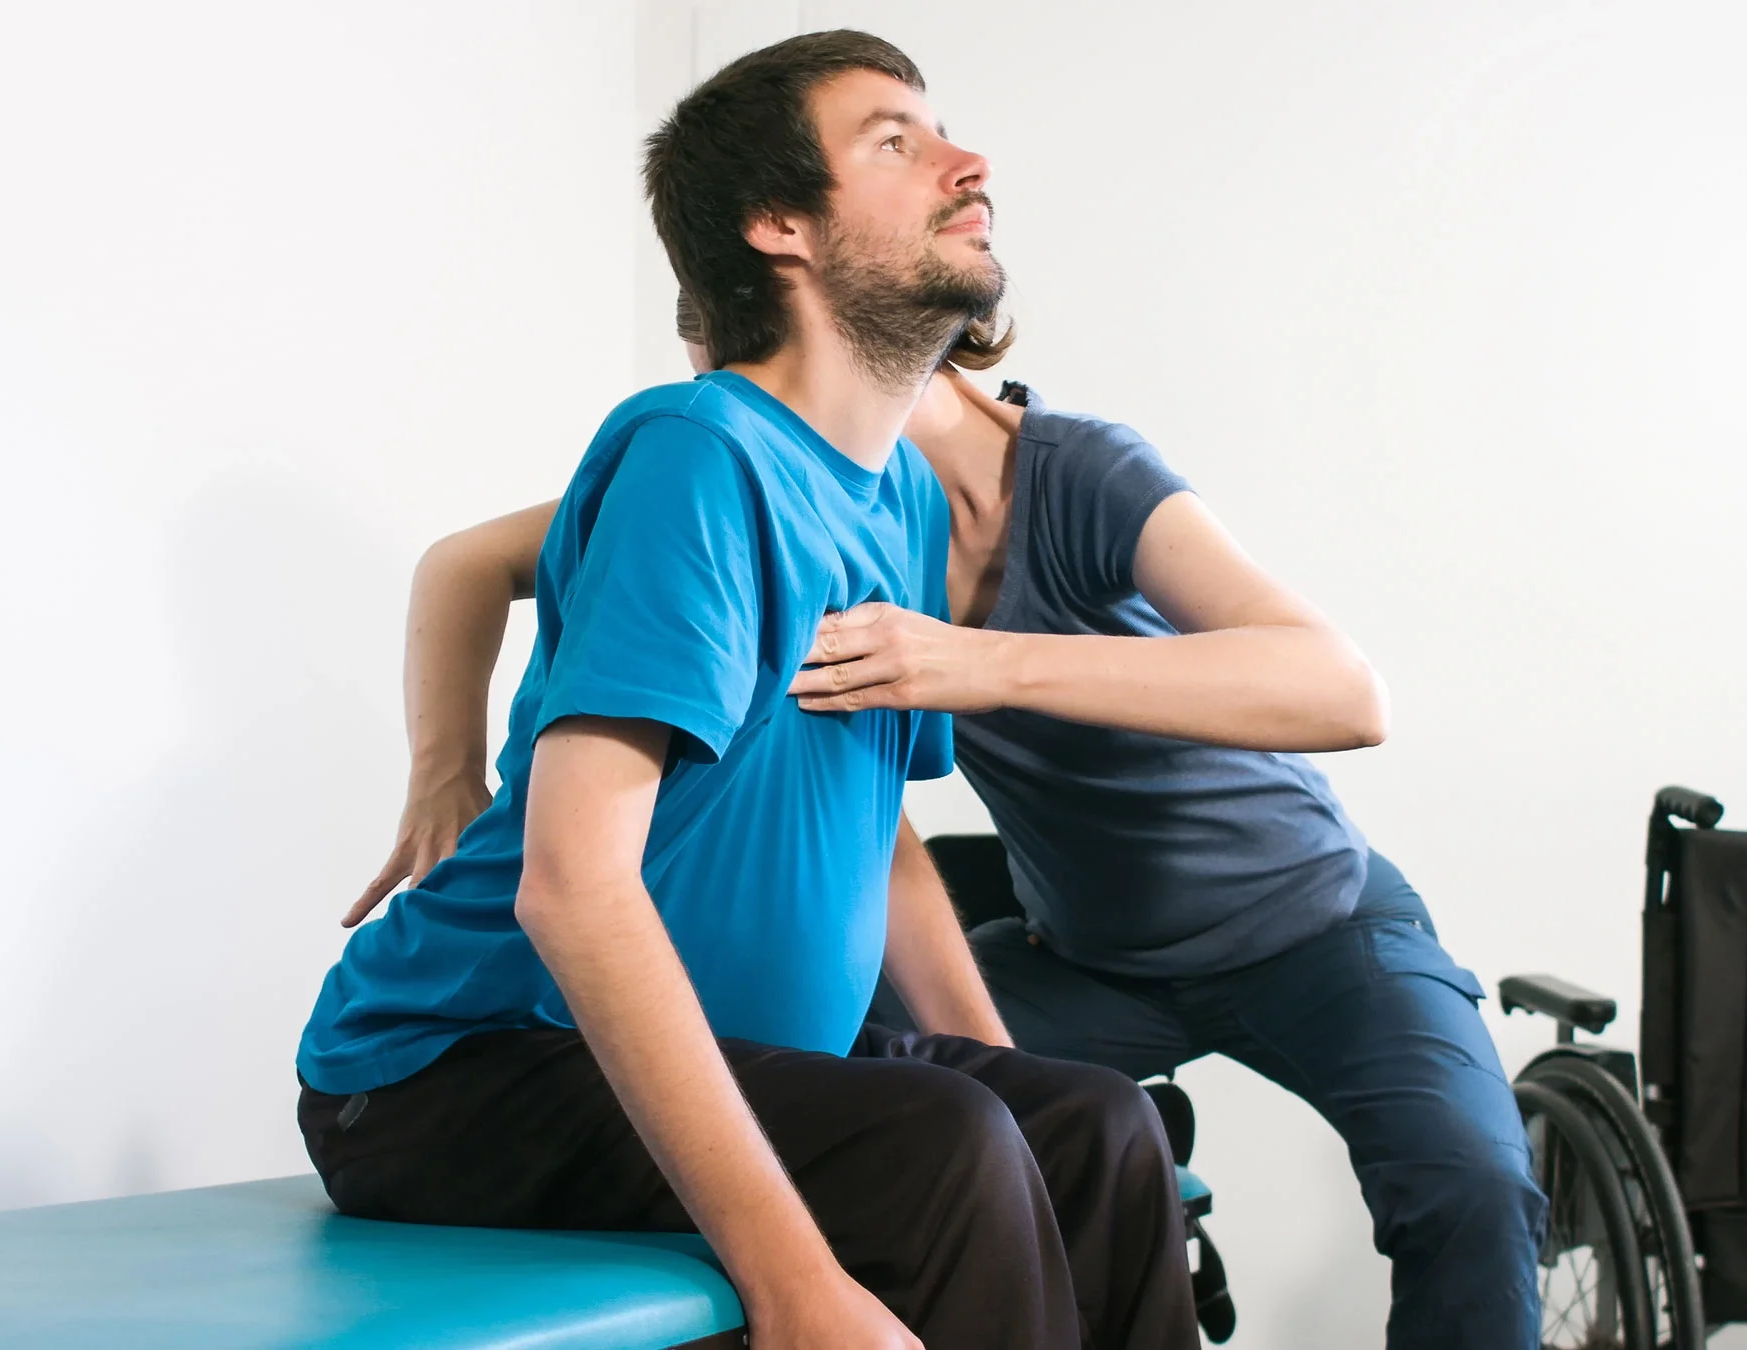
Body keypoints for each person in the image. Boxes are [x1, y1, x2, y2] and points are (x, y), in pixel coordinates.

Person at [358, 272, 1548, 1344]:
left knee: (1467, 1184)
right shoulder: (766, 477)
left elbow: (1344, 691)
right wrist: (442, 768)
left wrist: (976, 662)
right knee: (1034, 1122)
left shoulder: (1064, 477)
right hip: (1091, 956)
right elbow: (470, 562)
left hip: (1312, 921)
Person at [298, 31, 1198, 1350]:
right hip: (450, 1071)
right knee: (949, 1146)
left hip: (745, 1054)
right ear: (780, 224)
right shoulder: (698, 452)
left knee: (1098, 1123)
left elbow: (873, 831)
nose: (968, 163)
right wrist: (793, 1286)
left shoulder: (892, 489)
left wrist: (1021, 1085)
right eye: (898, 141)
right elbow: (573, 884)